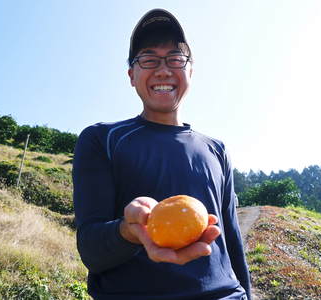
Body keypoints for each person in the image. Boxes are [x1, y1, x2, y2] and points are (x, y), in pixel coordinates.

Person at [73, 8, 251, 300]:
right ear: (132, 75)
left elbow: (231, 239)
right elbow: (91, 249)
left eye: (175, 59)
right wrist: (127, 231)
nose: (164, 70)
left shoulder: (216, 150)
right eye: (149, 59)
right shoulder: (101, 139)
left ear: (190, 71)